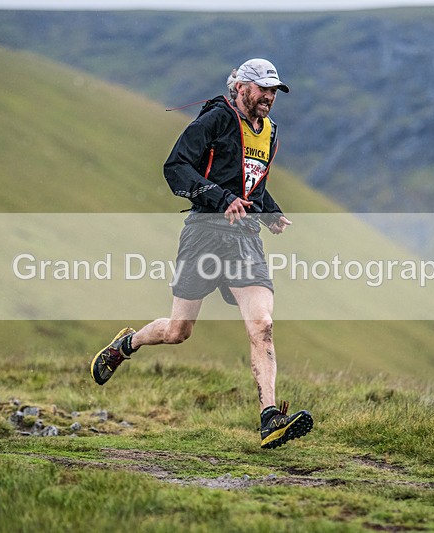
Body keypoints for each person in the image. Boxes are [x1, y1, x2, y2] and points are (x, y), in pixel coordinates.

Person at [90, 58, 313, 449]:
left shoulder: (271, 132)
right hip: (203, 234)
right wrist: (220, 198)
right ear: (241, 87)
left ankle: (269, 418)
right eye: (263, 89)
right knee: (179, 331)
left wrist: (271, 213)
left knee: (262, 323)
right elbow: (175, 168)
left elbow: (250, 182)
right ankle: (126, 345)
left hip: (244, 238)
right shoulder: (214, 120)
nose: (270, 97)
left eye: (275, 91)